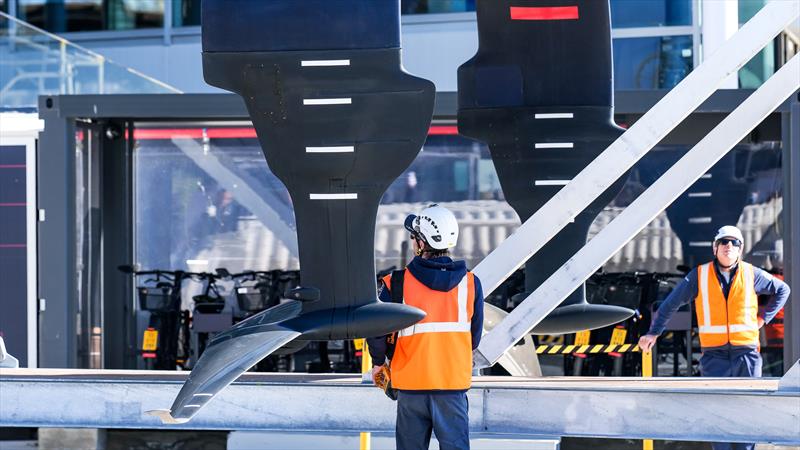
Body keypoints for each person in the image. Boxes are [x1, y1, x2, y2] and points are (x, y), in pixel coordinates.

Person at [638, 225, 790, 450]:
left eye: (734, 243)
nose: (729, 246)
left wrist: (763, 319)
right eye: (724, 242)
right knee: (717, 413)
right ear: (715, 247)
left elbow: (782, 290)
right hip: (714, 356)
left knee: (748, 412)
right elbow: (670, 304)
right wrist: (654, 332)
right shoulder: (698, 276)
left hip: (746, 354)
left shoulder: (752, 274)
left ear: (741, 249)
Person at [367, 204, 484, 450]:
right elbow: (473, 339)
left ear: (421, 243)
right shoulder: (471, 284)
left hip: (410, 387)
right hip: (452, 387)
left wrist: (378, 362)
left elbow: (376, 329)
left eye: (413, 236)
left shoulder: (394, 282)